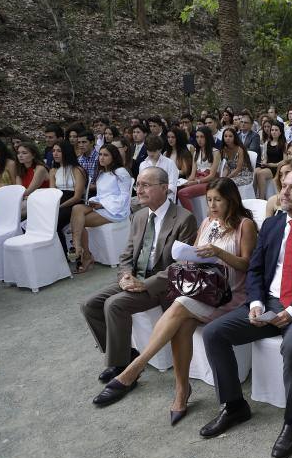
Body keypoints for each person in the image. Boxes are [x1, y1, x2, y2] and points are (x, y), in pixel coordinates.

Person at [199, 168, 292, 458]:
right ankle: (234, 405)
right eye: (283, 186)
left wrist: (291, 312)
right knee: (214, 333)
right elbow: (256, 269)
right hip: (267, 303)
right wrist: (255, 303)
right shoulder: (273, 224)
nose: (284, 192)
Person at [91, 178, 257, 418]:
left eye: (217, 200)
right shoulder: (207, 222)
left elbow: (248, 264)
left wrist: (218, 252)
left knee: (179, 305)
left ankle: (133, 369)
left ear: (231, 200)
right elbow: (196, 258)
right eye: (209, 200)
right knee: (181, 324)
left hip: (230, 294)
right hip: (203, 289)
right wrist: (189, 256)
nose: (212, 205)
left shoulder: (245, 225)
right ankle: (181, 390)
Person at [80, 167, 197, 387]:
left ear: (164, 188)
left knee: (114, 305)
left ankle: (122, 367)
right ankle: (125, 354)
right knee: (89, 305)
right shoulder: (140, 216)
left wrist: (145, 284)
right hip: (135, 278)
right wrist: (125, 275)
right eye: (138, 184)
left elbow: (182, 266)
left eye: (145, 185)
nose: (138, 190)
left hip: (161, 285)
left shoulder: (184, 218)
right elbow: (127, 254)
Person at [69, 144, 133, 273]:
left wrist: (103, 204)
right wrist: (94, 202)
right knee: (77, 209)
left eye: (106, 155)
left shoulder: (120, 172)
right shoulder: (102, 173)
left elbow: (124, 196)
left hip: (116, 210)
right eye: (100, 154)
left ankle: (82, 253)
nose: (101, 158)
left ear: (113, 157)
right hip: (103, 206)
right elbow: (101, 195)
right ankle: (78, 247)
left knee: (78, 221)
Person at [49, 141, 87, 255]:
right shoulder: (53, 171)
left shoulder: (77, 170)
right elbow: (52, 192)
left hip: (73, 203)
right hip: (58, 201)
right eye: (53, 151)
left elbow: (77, 196)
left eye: (59, 151)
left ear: (66, 152)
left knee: (54, 223)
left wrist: (59, 206)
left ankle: (63, 254)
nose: (55, 154)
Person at [177, 126, 221, 211]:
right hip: (198, 179)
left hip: (210, 182)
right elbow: (192, 175)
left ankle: (191, 219)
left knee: (182, 193)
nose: (199, 139)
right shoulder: (196, 152)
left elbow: (212, 176)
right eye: (197, 137)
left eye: (202, 137)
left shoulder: (215, 152)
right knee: (177, 188)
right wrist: (186, 182)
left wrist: (196, 182)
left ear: (207, 137)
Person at [137, 135, 180, 201]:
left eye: (154, 151)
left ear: (160, 149)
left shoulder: (169, 163)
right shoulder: (143, 165)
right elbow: (141, 184)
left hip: (165, 199)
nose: (151, 154)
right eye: (149, 150)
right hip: (147, 199)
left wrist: (157, 194)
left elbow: (172, 186)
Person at [255, 121, 286, 198]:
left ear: (280, 132)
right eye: (272, 130)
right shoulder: (267, 143)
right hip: (267, 165)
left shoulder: (283, 144)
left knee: (261, 174)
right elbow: (265, 157)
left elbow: (285, 160)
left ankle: (261, 198)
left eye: (276, 130)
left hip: (277, 167)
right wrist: (264, 162)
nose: (274, 132)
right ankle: (255, 194)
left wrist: (272, 164)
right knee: (255, 171)